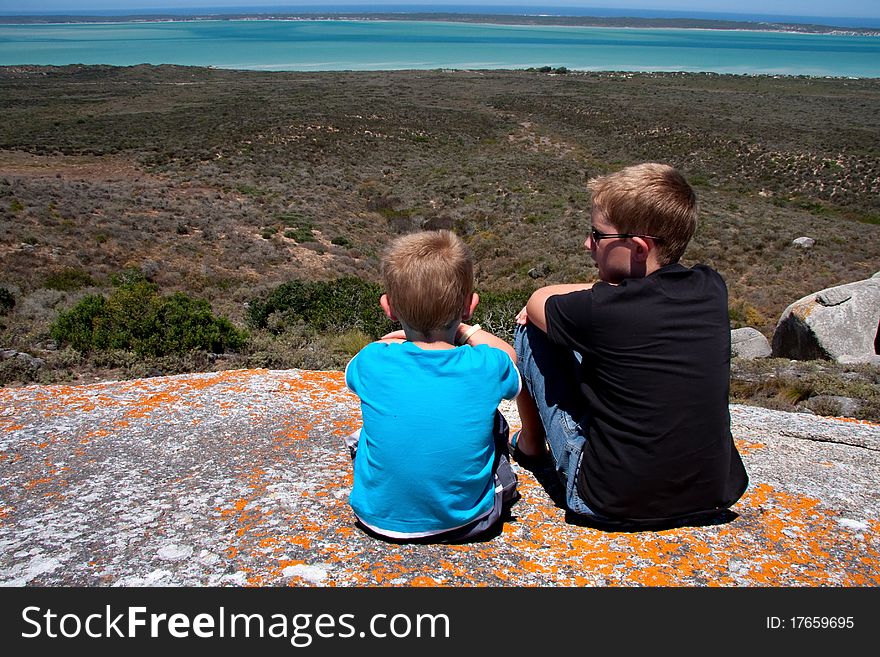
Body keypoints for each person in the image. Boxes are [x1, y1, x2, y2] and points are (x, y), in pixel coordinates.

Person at [513, 162, 748, 528]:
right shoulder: (711, 286)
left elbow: (537, 300)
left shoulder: (604, 311)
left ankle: (530, 444)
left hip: (606, 500)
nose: (587, 244)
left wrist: (600, 291)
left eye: (597, 235)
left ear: (638, 248)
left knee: (531, 331)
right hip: (713, 494)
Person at [345, 229, 521, 542]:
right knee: (495, 422)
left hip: (374, 518)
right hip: (469, 521)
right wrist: (465, 331)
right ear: (469, 305)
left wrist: (399, 338)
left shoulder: (371, 360)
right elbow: (510, 356)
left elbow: (359, 365)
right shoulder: (485, 364)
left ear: (389, 308)